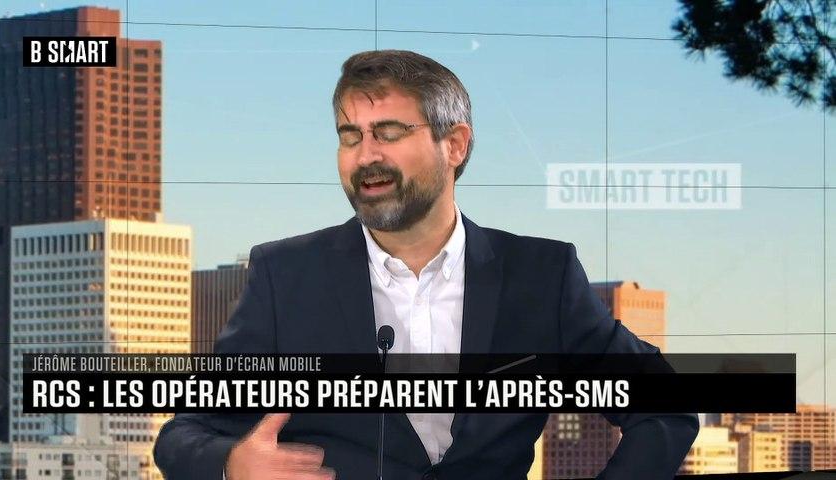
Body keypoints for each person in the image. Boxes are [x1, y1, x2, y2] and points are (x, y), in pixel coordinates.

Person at [153, 49, 699, 480]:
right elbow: (185, 433)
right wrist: (233, 464)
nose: (366, 155)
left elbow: (664, 407)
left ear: (454, 144)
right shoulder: (286, 275)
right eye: (350, 137)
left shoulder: (541, 275)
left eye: (389, 133)